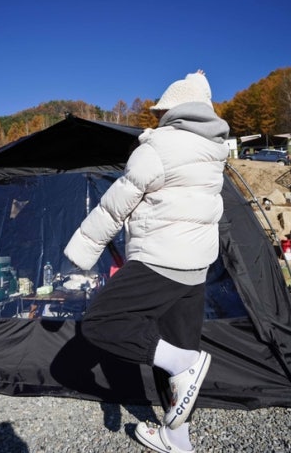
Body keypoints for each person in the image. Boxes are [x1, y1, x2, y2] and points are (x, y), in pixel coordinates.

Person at [64, 70, 230, 453]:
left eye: (162, 111)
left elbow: (115, 205)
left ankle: (186, 364)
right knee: (173, 345)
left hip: (160, 259)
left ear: (173, 110)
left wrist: (82, 251)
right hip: (195, 266)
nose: (156, 118)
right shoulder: (214, 151)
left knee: (101, 322)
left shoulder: (158, 147)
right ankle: (177, 438)